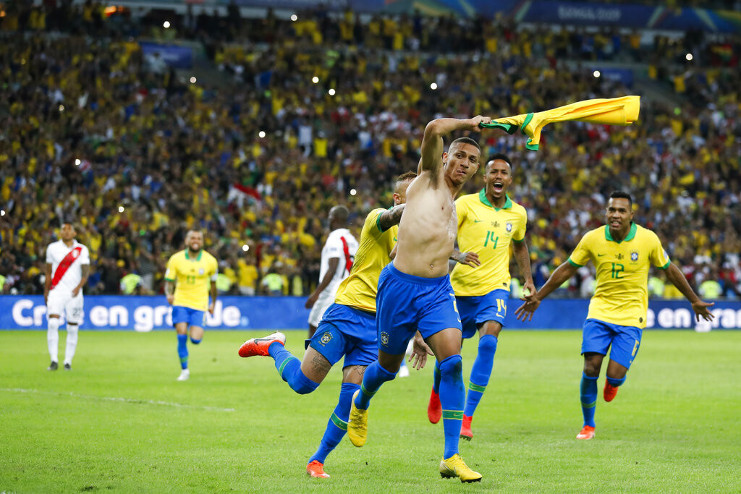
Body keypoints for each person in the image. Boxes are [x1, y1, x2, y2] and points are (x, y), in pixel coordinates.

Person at [238, 172, 432, 479]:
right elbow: (393, 217)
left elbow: (415, 290)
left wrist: (419, 333)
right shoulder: (376, 220)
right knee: (303, 385)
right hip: (345, 315)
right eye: (415, 194)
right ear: (398, 199)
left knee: (350, 399)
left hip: (375, 330)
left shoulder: (421, 240)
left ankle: (317, 461)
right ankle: (273, 346)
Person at [347, 116, 493, 483]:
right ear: (444, 158)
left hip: (438, 292)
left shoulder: (454, 203)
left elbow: (435, 240)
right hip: (399, 288)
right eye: (458, 155)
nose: (463, 163)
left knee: (454, 362)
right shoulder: (427, 179)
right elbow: (431, 128)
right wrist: (469, 122)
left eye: (471, 160)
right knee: (385, 369)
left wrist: (455, 256)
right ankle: (361, 402)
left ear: (476, 169)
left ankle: (451, 455)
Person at [515, 191, 715, 440]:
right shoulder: (592, 238)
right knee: (590, 367)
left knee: (615, 375)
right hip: (600, 310)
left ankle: (613, 384)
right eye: (612, 210)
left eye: (621, 211)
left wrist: (694, 299)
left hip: (632, 316)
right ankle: (588, 425)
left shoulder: (647, 239)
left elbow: (670, 270)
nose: (616, 215)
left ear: (632, 215)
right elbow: (567, 268)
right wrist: (540, 296)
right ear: (606, 212)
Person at [428, 154, 535, 440]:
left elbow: (521, 246)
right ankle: (437, 390)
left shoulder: (518, 213)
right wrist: (457, 255)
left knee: (488, 342)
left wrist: (527, 279)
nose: (498, 176)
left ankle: (467, 417)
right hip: (459, 289)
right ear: (485, 178)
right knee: (450, 356)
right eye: (493, 172)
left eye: (504, 173)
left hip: (495, 287)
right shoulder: (465, 204)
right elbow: (441, 235)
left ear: (510, 180)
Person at [164, 230, 218, 381]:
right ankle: (184, 370)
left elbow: (213, 285)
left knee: (195, 339)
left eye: (199, 238)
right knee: (181, 334)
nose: (196, 240)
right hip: (180, 301)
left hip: (200, 304)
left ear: (202, 241)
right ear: (187, 241)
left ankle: (194, 334)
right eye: (193, 238)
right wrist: (169, 294)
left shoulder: (210, 261)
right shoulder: (176, 259)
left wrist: (213, 303)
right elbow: (169, 282)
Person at [304, 205, 358, 338]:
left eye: (329, 217)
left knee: (313, 324)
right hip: (349, 289)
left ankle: (310, 358)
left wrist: (316, 293)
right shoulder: (353, 240)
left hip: (332, 290)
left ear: (334, 219)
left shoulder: (334, 238)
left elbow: (333, 267)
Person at [44, 221, 90, 371]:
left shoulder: (81, 249)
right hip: (56, 291)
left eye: (69, 229)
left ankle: (68, 361)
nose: (66, 232)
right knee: (52, 323)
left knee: (72, 328)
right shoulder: (52, 248)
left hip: (74, 293)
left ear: (74, 233)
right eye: (63, 229)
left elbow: (86, 271)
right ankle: (54, 360)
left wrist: (78, 288)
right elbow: (48, 271)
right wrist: (46, 291)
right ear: (60, 232)